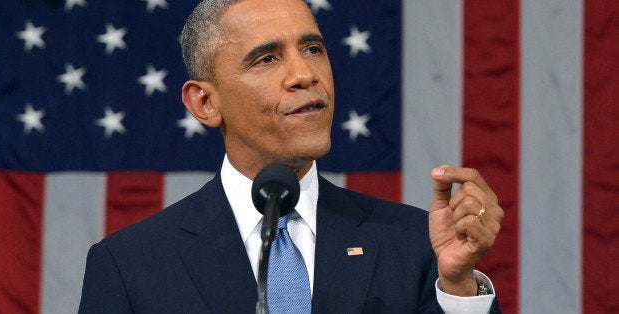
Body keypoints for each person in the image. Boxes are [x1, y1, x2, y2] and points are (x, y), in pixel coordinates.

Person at [79, 0, 504, 313]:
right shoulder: (131, 266)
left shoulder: (418, 245)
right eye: (267, 59)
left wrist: (458, 288)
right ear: (205, 102)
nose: (305, 74)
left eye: (313, 49)